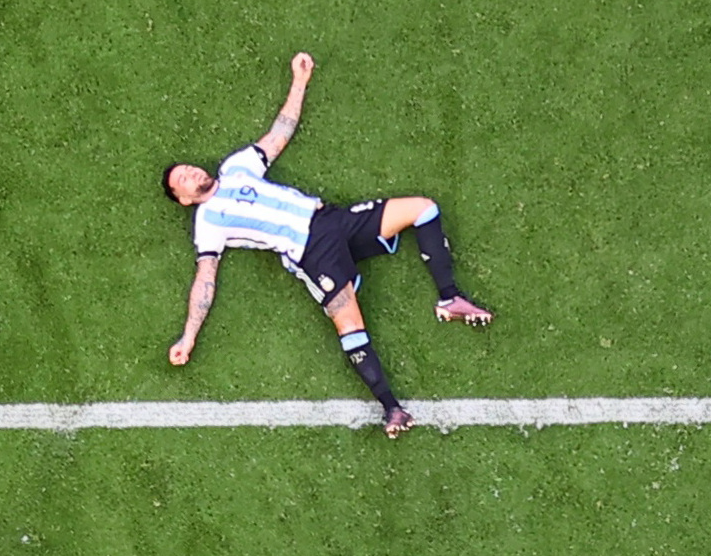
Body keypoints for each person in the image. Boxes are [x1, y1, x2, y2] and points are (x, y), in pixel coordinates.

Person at [163, 52, 492, 439]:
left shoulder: (235, 167)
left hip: (332, 220)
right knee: (350, 324)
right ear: (184, 199)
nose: (191, 172)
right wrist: (189, 335)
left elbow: (278, 134)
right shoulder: (207, 224)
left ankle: (449, 299)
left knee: (423, 209)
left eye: (188, 167)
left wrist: (299, 81)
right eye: (182, 179)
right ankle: (392, 409)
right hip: (311, 252)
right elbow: (205, 279)